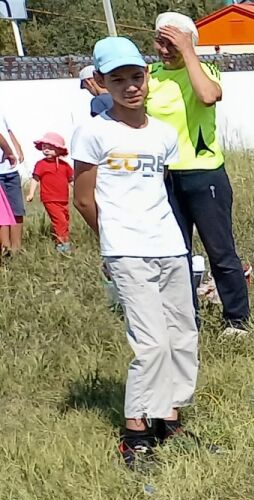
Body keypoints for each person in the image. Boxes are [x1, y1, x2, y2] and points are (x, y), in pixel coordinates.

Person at [73, 37, 198, 468]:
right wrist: (112, 241)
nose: (130, 86)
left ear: (147, 77)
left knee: (183, 334)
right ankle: (135, 433)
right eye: (118, 79)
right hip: (127, 250)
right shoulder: (93, 131)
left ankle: (170, 420)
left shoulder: (163, 134)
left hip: (169, 244)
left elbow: (157, 190)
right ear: (101, 82)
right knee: (150, 344)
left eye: (136, 76)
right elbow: (84, 199)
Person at [148, 11, 250, 336]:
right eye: (160, 41)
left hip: (204, 175)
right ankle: (184, 320)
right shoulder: (149, 76)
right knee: (176, 255)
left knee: (220, 252)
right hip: (164, 177)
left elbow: (208, 96)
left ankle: (237, 320)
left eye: (171, 43)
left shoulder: (204, 70)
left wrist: (188, 50)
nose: (164, 49)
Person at [29, 133, 74, 254]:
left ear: (59, 149)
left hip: (63, 198)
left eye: (50, 147)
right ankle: (63, 245)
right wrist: (31, 193)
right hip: (49, 198)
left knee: (65, 220)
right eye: (44, 147)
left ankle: (63, 241)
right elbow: (35, 179)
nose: (46, 150)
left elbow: (72, 180)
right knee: (60, 221)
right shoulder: (41, 164)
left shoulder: (65, 166)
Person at [0, 112, 24, 255]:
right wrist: (9, 152)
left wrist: (17, 148)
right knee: (3, 214)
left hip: (10, 170)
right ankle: (6, 248)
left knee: (17, 209)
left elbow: (8, 131)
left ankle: (16, 249)